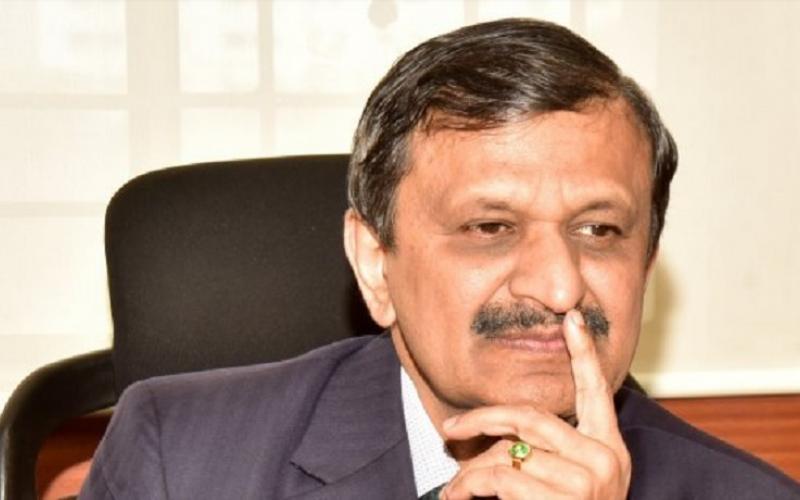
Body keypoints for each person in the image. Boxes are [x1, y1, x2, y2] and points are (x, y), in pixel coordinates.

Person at [79, 18, 800, 499]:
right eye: (490, 227)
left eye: (599, 230)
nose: (558, 286)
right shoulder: (180, 460)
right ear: (375, 263)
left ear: (645, 264)